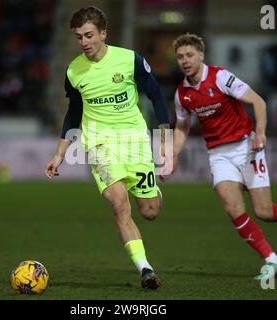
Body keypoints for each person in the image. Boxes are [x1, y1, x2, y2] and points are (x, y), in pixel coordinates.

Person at [44, 6, 170, 289]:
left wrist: (166, 142)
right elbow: (74, 113)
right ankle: (145, 268)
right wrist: (60, 152)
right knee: (118, 203)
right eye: (78, 37)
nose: (84, 42)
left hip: (134, 140)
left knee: (149, 211)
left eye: (88, 35)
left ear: (103, 33)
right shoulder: (74, 71)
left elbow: (157, 96)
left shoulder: (130, 60)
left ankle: (153, 192)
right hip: (99, 143)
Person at [166, 33, 277, 280]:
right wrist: (173, 155)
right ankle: (272, 261)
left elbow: (258, 102)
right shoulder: (182, 95)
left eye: (189, 55)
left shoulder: (220, 77)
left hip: (246, 147)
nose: (185, 61)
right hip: (218, 154)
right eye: (180, 57)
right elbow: (182, 126)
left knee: (263, 211)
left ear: (201, 55)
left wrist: (260, 132)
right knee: (232, 207)